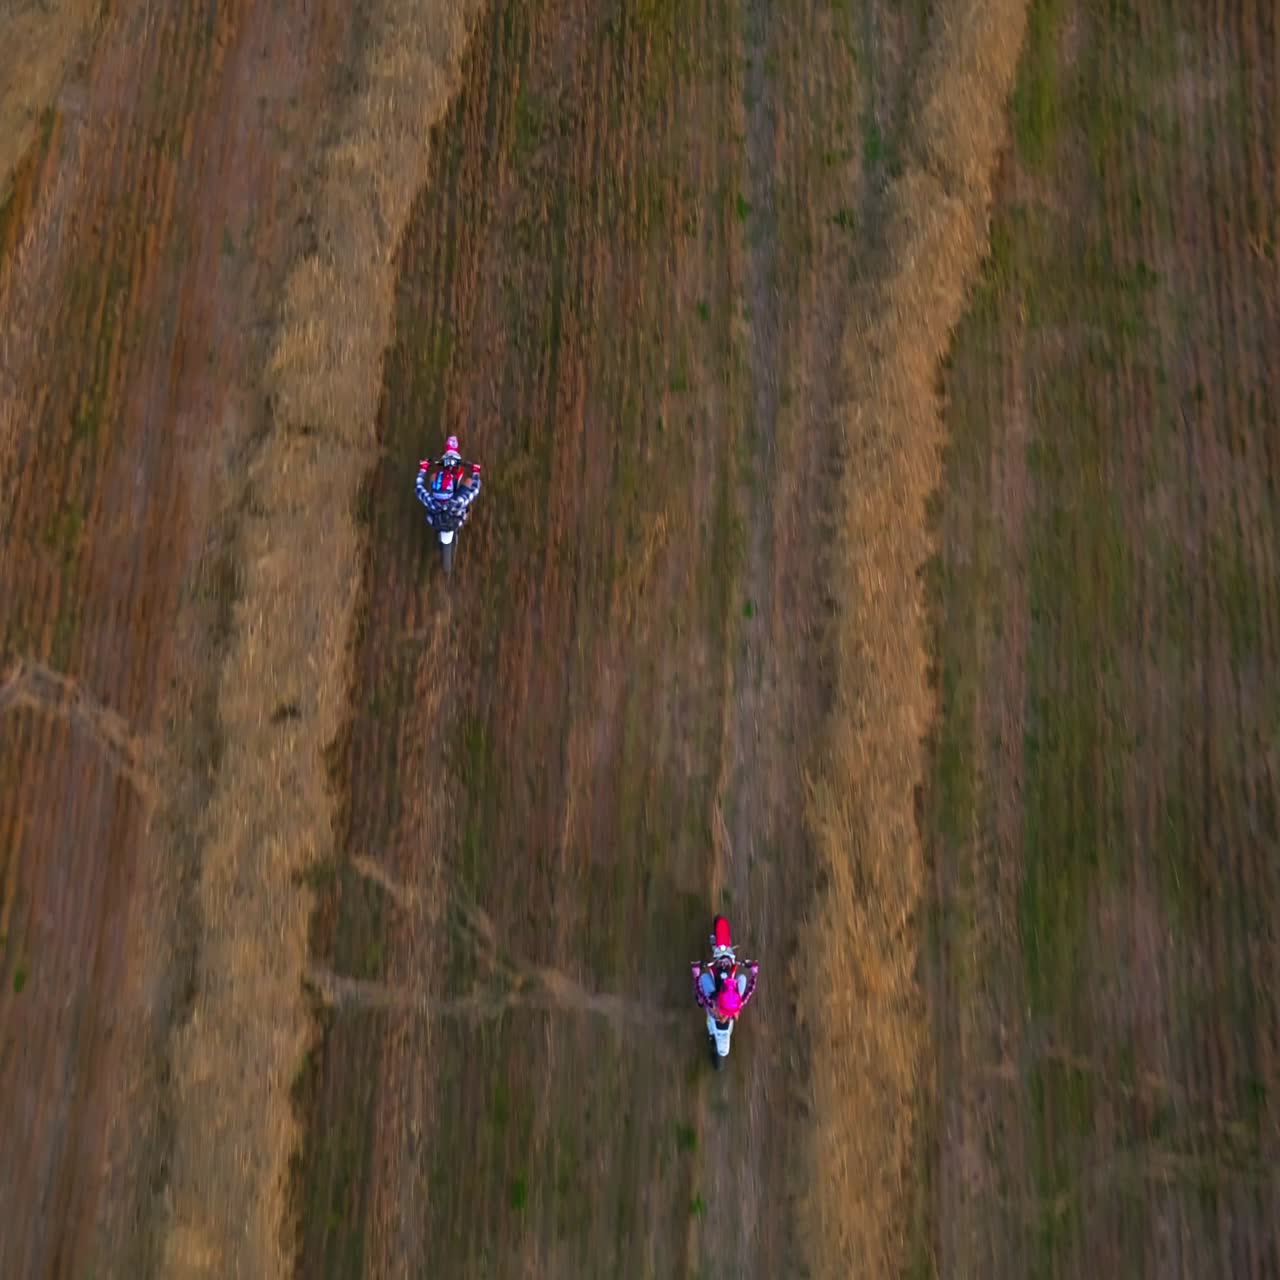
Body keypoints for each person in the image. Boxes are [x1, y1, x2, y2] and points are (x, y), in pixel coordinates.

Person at [417, 434, 482, 528]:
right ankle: (466, 517)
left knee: (433, 477)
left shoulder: (430, 501)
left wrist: (423, 469)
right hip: (456, 522)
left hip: (434, 521)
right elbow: (475, 489)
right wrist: (476, 473)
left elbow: (419, 487)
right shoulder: (458, 502)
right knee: (469, 482)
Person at [692, 956, 758, 1021]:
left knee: (704, 977)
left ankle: (703, 999)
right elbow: (750, 990)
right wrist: (754, 973)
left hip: (716, 996)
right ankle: (729, 988)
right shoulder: (738, 1004)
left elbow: (700, 992)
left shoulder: (712, 1005)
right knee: (742, 977)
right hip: (728, 989)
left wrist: (696, 975)